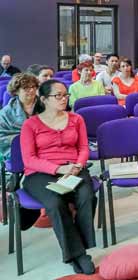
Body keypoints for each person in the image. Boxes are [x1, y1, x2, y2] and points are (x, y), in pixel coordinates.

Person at [20, 79, 96, 274]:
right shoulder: (30, 124)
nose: (64, 99)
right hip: (40, 173)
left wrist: (78, 165)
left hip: (74, 168)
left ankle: (80, 248)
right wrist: (57, 169)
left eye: (65, 95)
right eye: (58, 95)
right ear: (44, 99)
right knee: (55, 203)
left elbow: (83, 147)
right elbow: (29, 159)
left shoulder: (76, 119)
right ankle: (78, 254)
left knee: (87, 196)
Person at [0, 73, 39, 161]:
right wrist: (26, 139)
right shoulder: (6, 112)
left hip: (46, 148)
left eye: (33, 87)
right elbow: (2, 136)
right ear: (16, 91)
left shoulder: (46, 106)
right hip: (18, 150)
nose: (32, 90)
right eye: (26, 88)